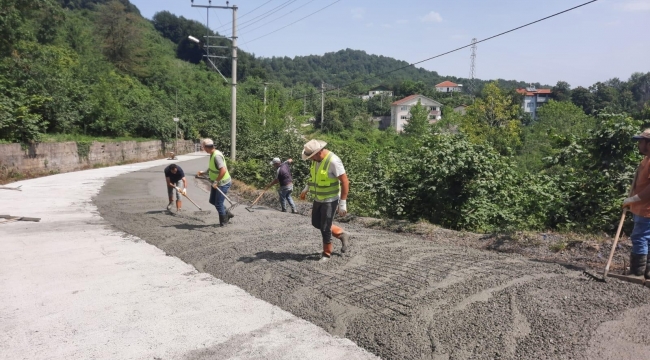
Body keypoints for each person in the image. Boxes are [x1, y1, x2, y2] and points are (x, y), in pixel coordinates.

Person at [299, 139, 351, 262]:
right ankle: (341, 234)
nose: (311, 159)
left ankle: (327, 253)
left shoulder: (333, 161)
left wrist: (342, 202)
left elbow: (345, 181)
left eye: (312, 157)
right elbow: (314, 176)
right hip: (319, 197)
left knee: (325, 227)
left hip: (330, 199)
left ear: (318, 152)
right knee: (316, 223)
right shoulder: (316, 160)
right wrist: (306, 188)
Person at [623, 128, 650, 278]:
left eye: (641, 141)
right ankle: (647, 272)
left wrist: (634, 199)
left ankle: (637, 271)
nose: (639, 144)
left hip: (647, 210)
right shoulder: (645, 160)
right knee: (647, 239)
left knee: (639, 237)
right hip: (642, 208)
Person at [197, 138, 233, 227]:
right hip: (216, 182)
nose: (203, 149)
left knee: (218, 203)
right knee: (212, 201)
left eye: (203, 147)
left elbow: (223, 170)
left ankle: (223, 222)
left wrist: (216, 181)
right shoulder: (212, 154)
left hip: (222, 183)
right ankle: (227, 213)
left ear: (206, 147)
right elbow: (213, 168)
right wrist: (204, 172)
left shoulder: (216, 155)